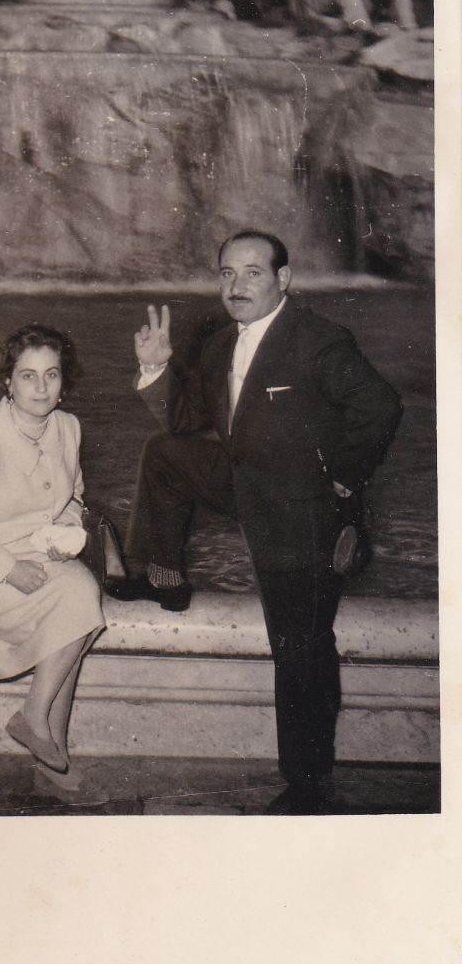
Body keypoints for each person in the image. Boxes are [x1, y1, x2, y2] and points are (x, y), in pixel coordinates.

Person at [116, 231, 402, 814]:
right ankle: (163, 576)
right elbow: (187, 418)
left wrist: (342, 477)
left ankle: (307, 784)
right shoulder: (222, 344)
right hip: (246, 479)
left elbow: (380, 406)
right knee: (165, 455)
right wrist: (155, 370)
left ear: (284, 279)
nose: (236, 286)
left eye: (252, 273)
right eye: (226, 274)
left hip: (303, 512)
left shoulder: (318, 340)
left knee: (298, 647)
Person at [0, 324, 104, 798]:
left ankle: (37, 724)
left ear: (63, 382)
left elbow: (73, 496)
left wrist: (65, 534)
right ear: (7, 382)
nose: (41, 387)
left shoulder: (68, 427)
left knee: (81, 605)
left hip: (36, 550)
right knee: (79, 613)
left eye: (51, 375)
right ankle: (51, 756)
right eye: (27, 376)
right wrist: (8, 569)